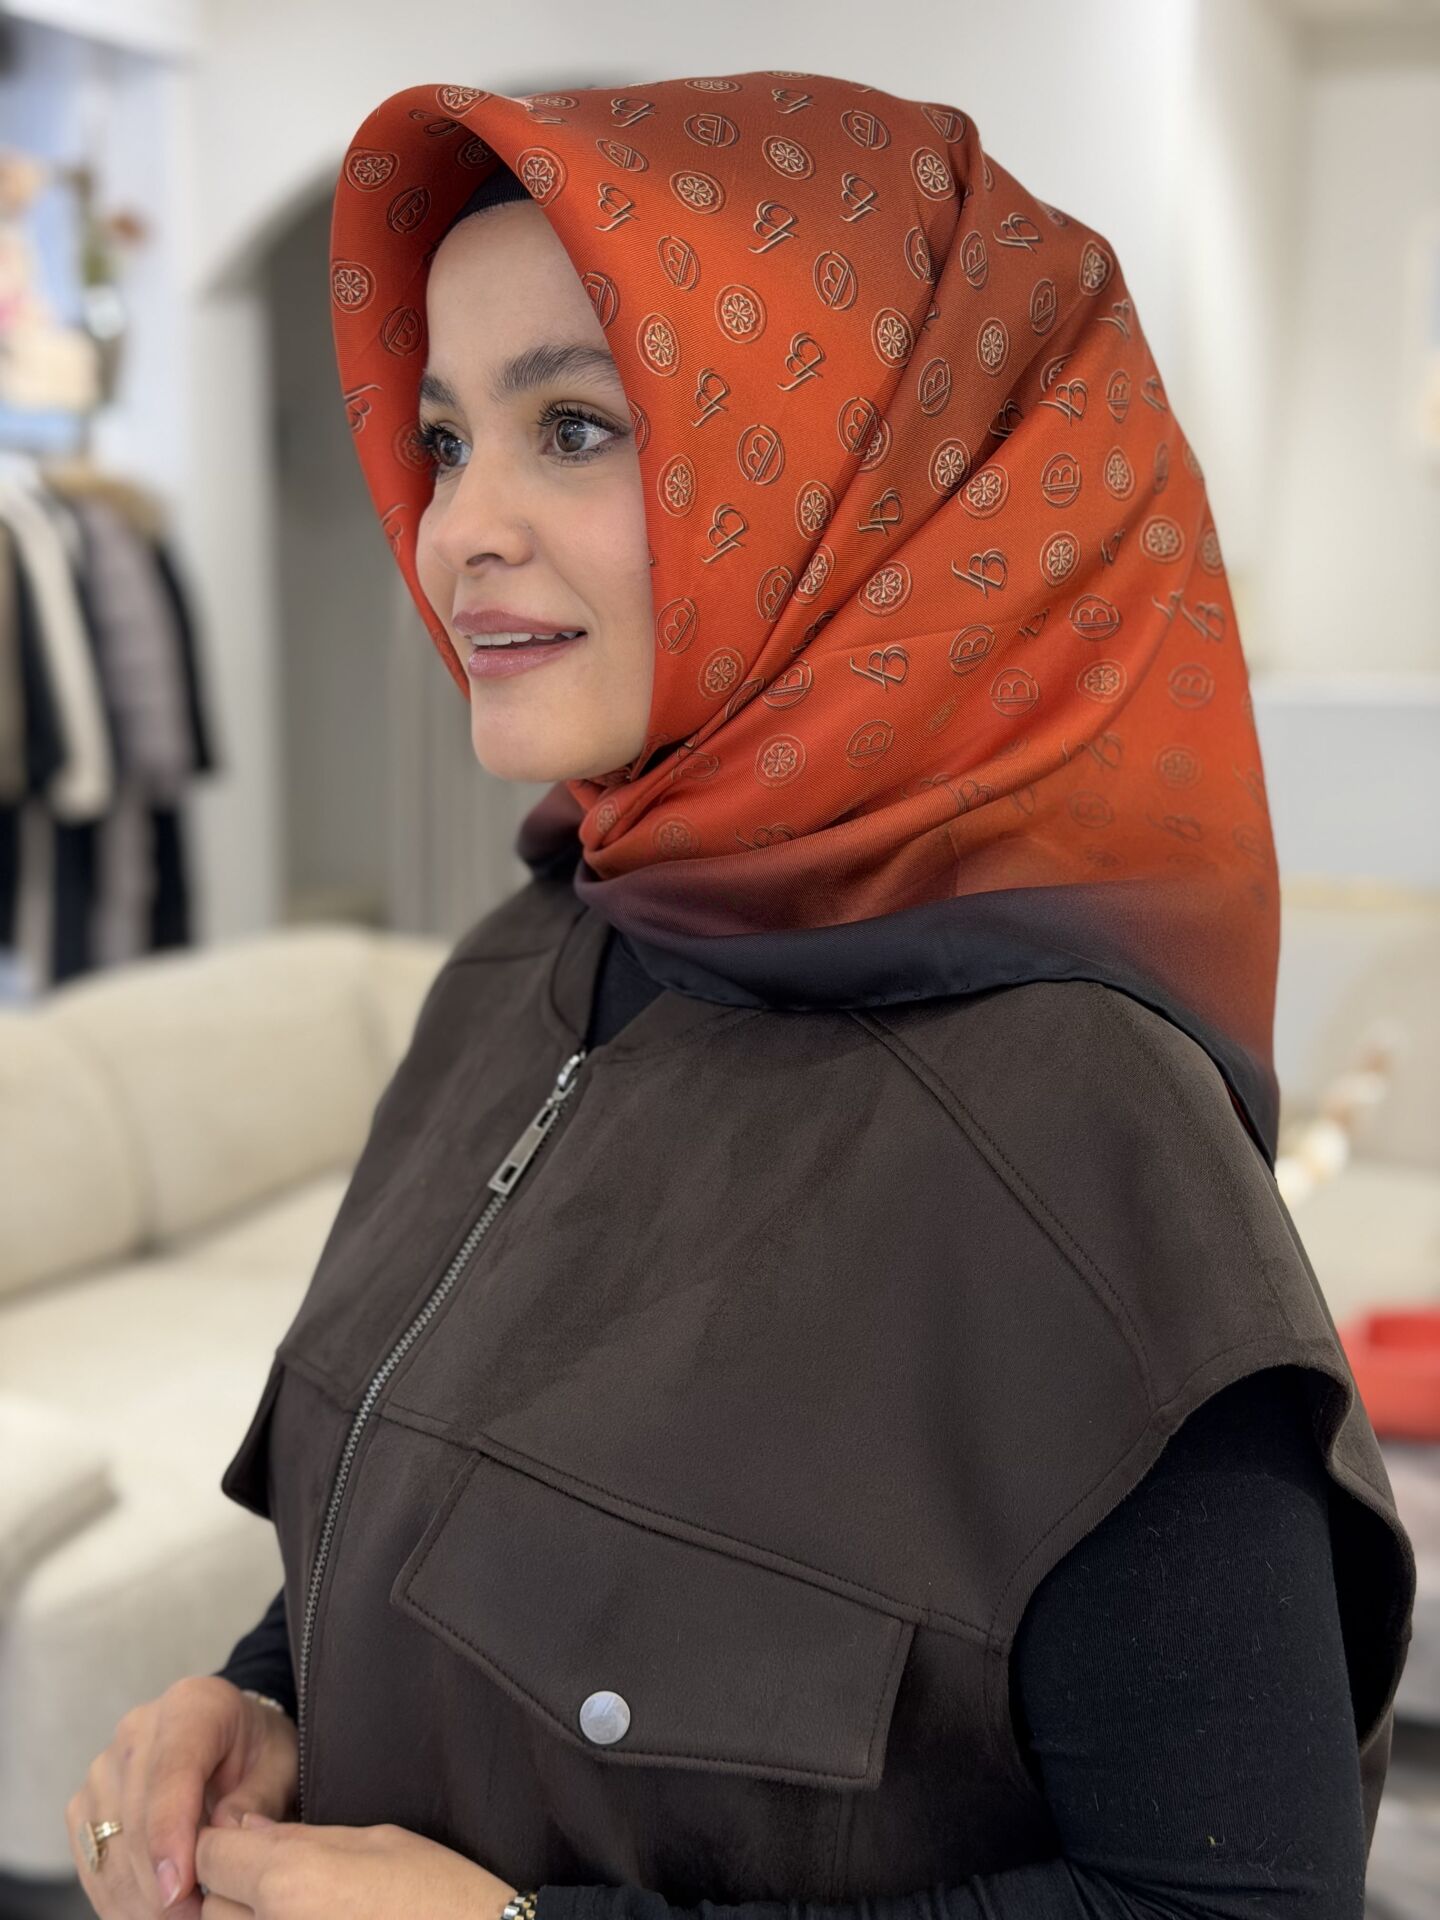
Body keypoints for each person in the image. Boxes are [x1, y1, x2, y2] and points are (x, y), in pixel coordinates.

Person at [67, 68, 1415, 1920]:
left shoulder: (1079, 1143)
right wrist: (271, 1700)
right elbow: (457, 1526)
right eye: (447, 439)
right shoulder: (532, 970)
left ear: (866, 479)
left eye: (574, 426)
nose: (455, 530)